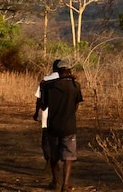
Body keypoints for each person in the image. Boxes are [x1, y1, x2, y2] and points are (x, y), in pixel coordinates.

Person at [42, 59, 83, 192]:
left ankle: (55, 181)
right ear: (69, 70)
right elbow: (76, 104)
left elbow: (44, 106)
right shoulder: (76, 85)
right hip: (69, 126)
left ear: (57, 72)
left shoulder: (48, 86)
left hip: (53, 126)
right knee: (68, 157)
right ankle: (65, 185)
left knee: (54, 156)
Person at [33, 59, 62, 166]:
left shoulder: (45, 80)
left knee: (46, 138)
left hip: (46, 114)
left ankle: (49, 158)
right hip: (61, 114)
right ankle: (57, 158)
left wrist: (36, 112)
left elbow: (39, 99)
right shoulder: (66, 81)